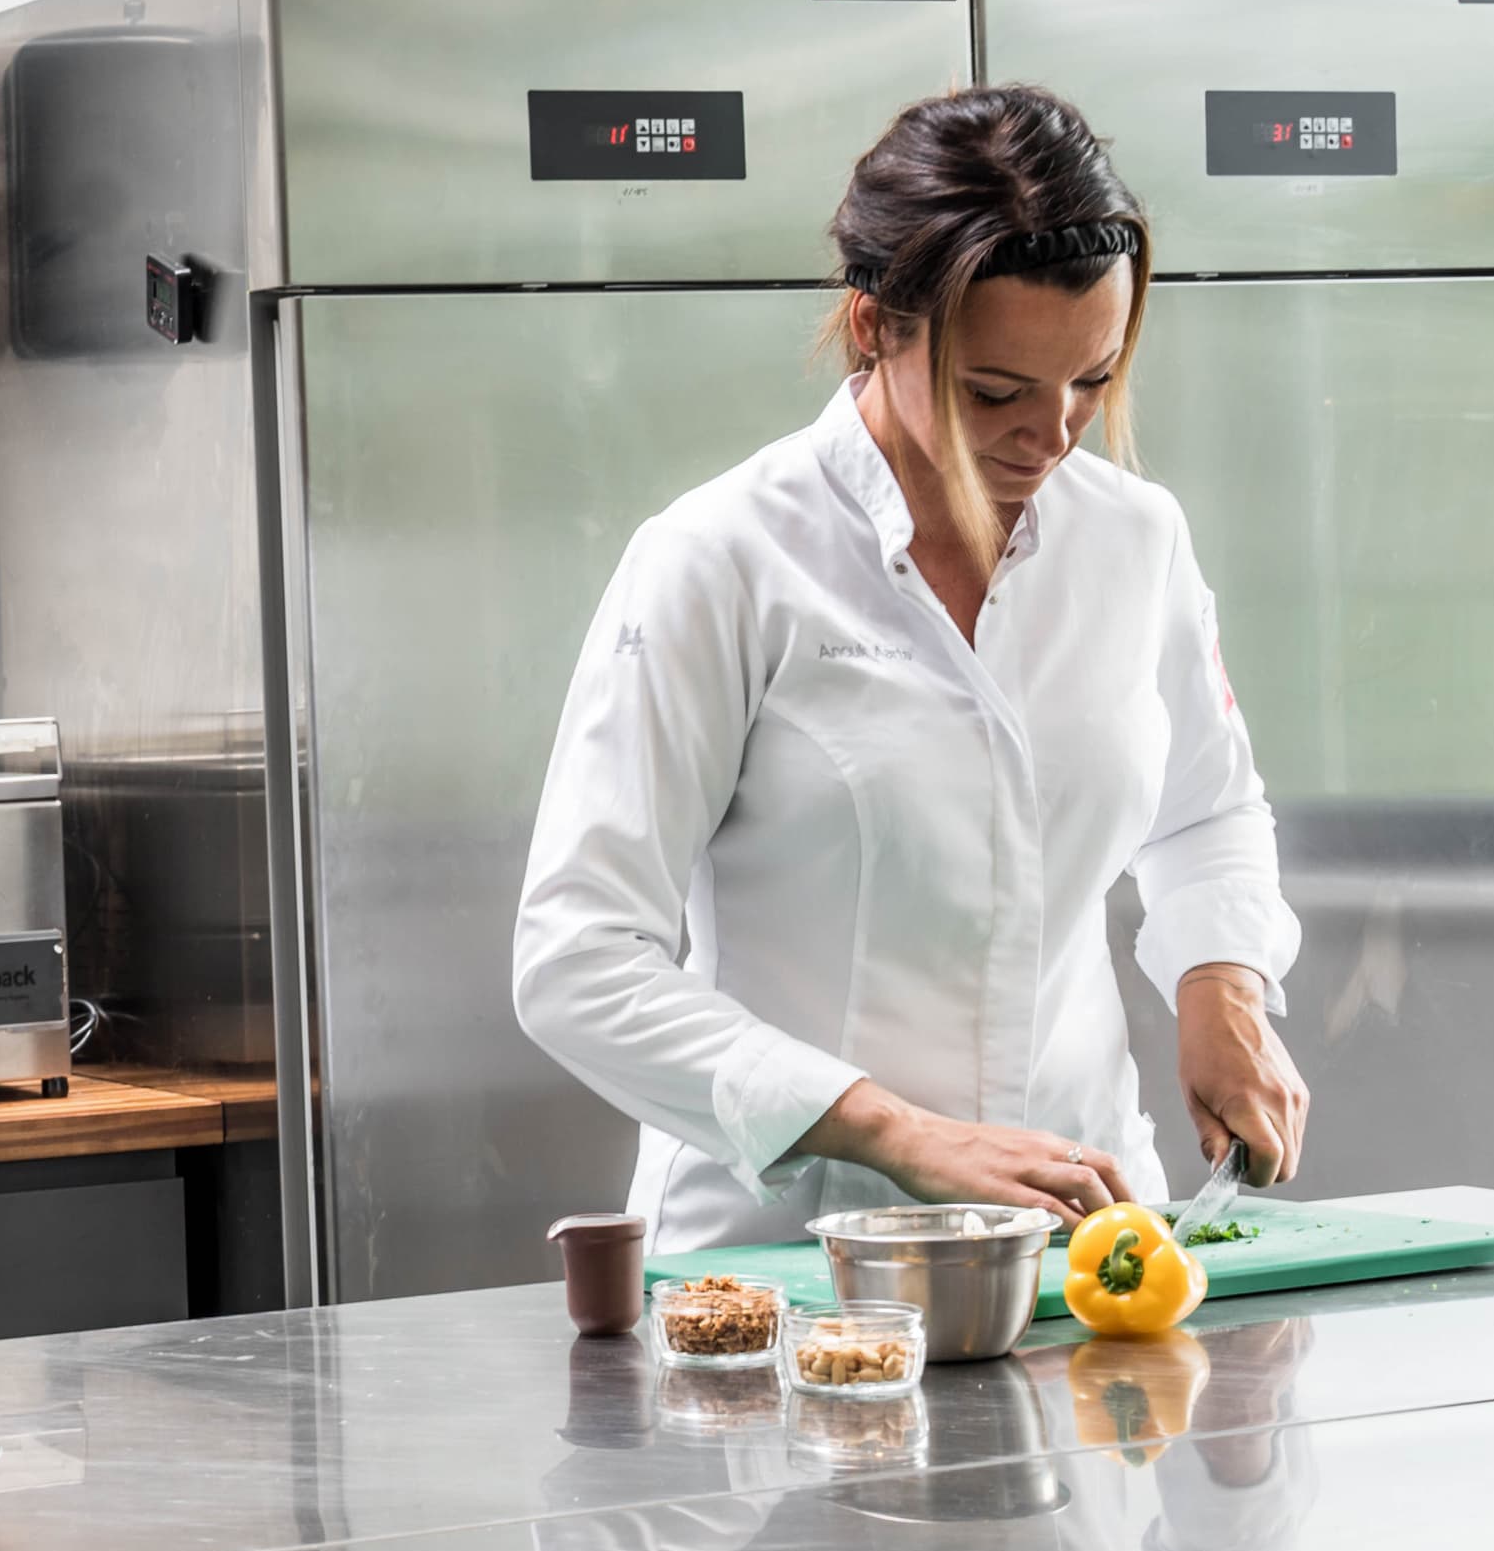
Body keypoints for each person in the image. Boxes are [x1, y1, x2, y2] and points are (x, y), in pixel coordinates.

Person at [513, 84, 1305, 1240]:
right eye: (996, 392)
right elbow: (577, 959)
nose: (1055, 434)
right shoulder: (721, 560)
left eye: (1090, 380)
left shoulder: (1136, 539)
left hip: (1088, 1240)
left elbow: (1206, 814)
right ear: (876, 324)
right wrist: (899, 1134)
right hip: (787, 1267)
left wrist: (1220, 981)